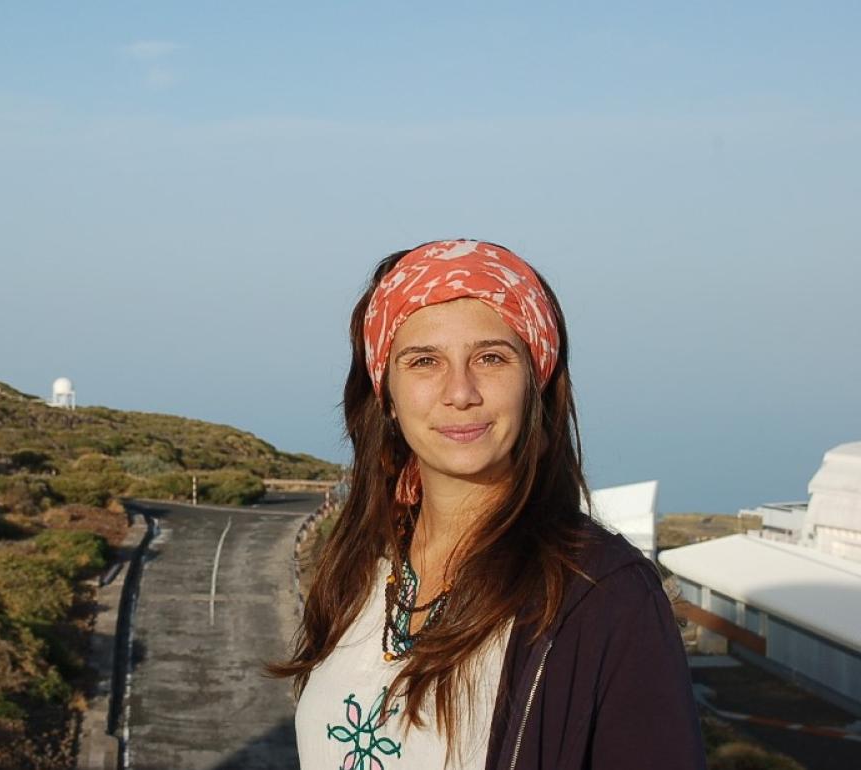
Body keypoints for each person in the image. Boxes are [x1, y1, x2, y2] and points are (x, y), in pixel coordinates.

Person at [271, 240, 705, 769]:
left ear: (535, 382)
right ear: (385, 392)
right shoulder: (361, 566)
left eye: (491, 357)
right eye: (424, 360)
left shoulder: (602, 595)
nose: (460, 392)